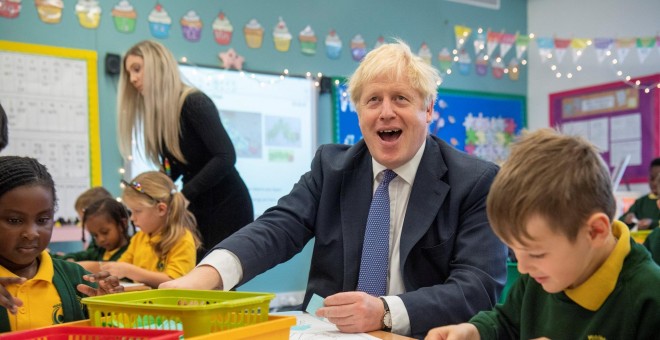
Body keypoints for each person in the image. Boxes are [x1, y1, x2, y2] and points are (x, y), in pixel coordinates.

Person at [161, 40, 507, 338]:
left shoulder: (474, 182)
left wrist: (385, 311)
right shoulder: (331, 168)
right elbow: (277, 227)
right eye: (373, 101)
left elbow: (477, 286)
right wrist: (205, 276)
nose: (386, 112)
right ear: (358, 113)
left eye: (400, 98)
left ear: (428, 109)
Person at [426, 129, 660, 340]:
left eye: (536, 254)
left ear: (595, 232)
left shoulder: (649, 297)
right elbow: (506, 322)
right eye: (515, 252)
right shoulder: (538, 278)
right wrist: (474, 332)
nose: (523, 268)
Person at [117, 40, 253, 261]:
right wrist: (147, 189)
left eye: (137, 69)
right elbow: (174, 168)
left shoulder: (194, 103)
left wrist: (184, 194)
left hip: (226, 206)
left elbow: (226, 156)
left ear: (157, 66)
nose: (132, 79)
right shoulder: (161, 118)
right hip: (198, 207)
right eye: (129, 73)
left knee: (217, 281)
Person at [0, 156, 123, 332]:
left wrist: (107, 311)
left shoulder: (78, 278)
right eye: (14, 220)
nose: (31, 233)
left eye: (43, 219)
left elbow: (106, 333)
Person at [99, 171, 200, 288]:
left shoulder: (182, 240)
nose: (132, 218)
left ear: (161, 209)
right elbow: (121, 266)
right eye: (131, 212)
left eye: (137, 211)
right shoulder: (139, 238)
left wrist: (129, 271)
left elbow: (174, 280)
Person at [61, 198, 132, 271]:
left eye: (105, 232)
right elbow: (76, 256)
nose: (101, 239)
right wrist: (70, 260)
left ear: (122, 224)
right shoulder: (99, 251)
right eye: (95, 235)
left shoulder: (132, 250)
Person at [52, 186, 114, 259]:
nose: (82, 224)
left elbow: (91, 259)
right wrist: (69, 258)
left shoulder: (106, 242)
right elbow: (88, 255)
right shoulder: (96, 238)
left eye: (84, 220)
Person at [619, 157, 660, 230]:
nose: (654, 183)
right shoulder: (641, 202)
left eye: (658, 179)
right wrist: (627, 219)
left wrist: (652, 223)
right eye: (652, 178)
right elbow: (620, 222)